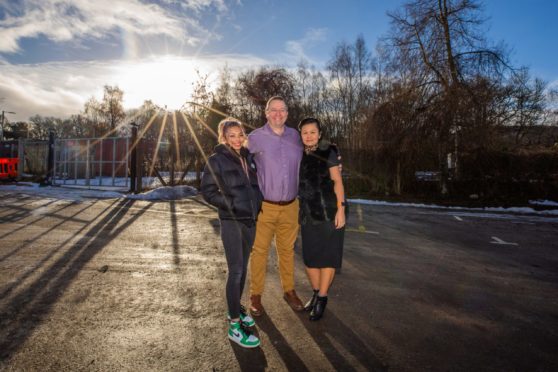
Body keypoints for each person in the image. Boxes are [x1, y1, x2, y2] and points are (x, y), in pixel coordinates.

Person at [201, 118, 263, 348]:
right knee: (235, 271)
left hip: (250, 220)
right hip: (231, 221)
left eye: (240, 134)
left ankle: (235, 308)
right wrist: (231, 204)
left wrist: (257, 204)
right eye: (231, 136)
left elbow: (254, 186)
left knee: (243, 268)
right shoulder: (216, 160)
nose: (237, 139)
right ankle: (234, 326)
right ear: (223, 137)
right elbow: (207, 191)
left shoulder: (248, 156)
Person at [247, 96, 305, 316]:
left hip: (291, 205)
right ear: (266, 112)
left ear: (288, 114)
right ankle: (255, 296)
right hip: (265, 207)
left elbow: (314, 149)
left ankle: (289, 291)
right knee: (259, 252)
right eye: (273, 110)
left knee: (287, 251)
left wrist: (332, 153)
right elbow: (236, 153)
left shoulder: (296, 138)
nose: (278, 114)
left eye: (282, 110)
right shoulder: (256, 138)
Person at [297, 117, 346, 321]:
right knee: (310, 259)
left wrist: (340, 209)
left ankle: (323, 298)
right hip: (308, 214)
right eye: (305, 132)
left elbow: (337, 181)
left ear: (320, 133)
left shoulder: (328, 152)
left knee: (327, 258)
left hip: (329, 213)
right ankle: (316, 292)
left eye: (312, 132)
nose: (309, 136)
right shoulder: (298, 154)